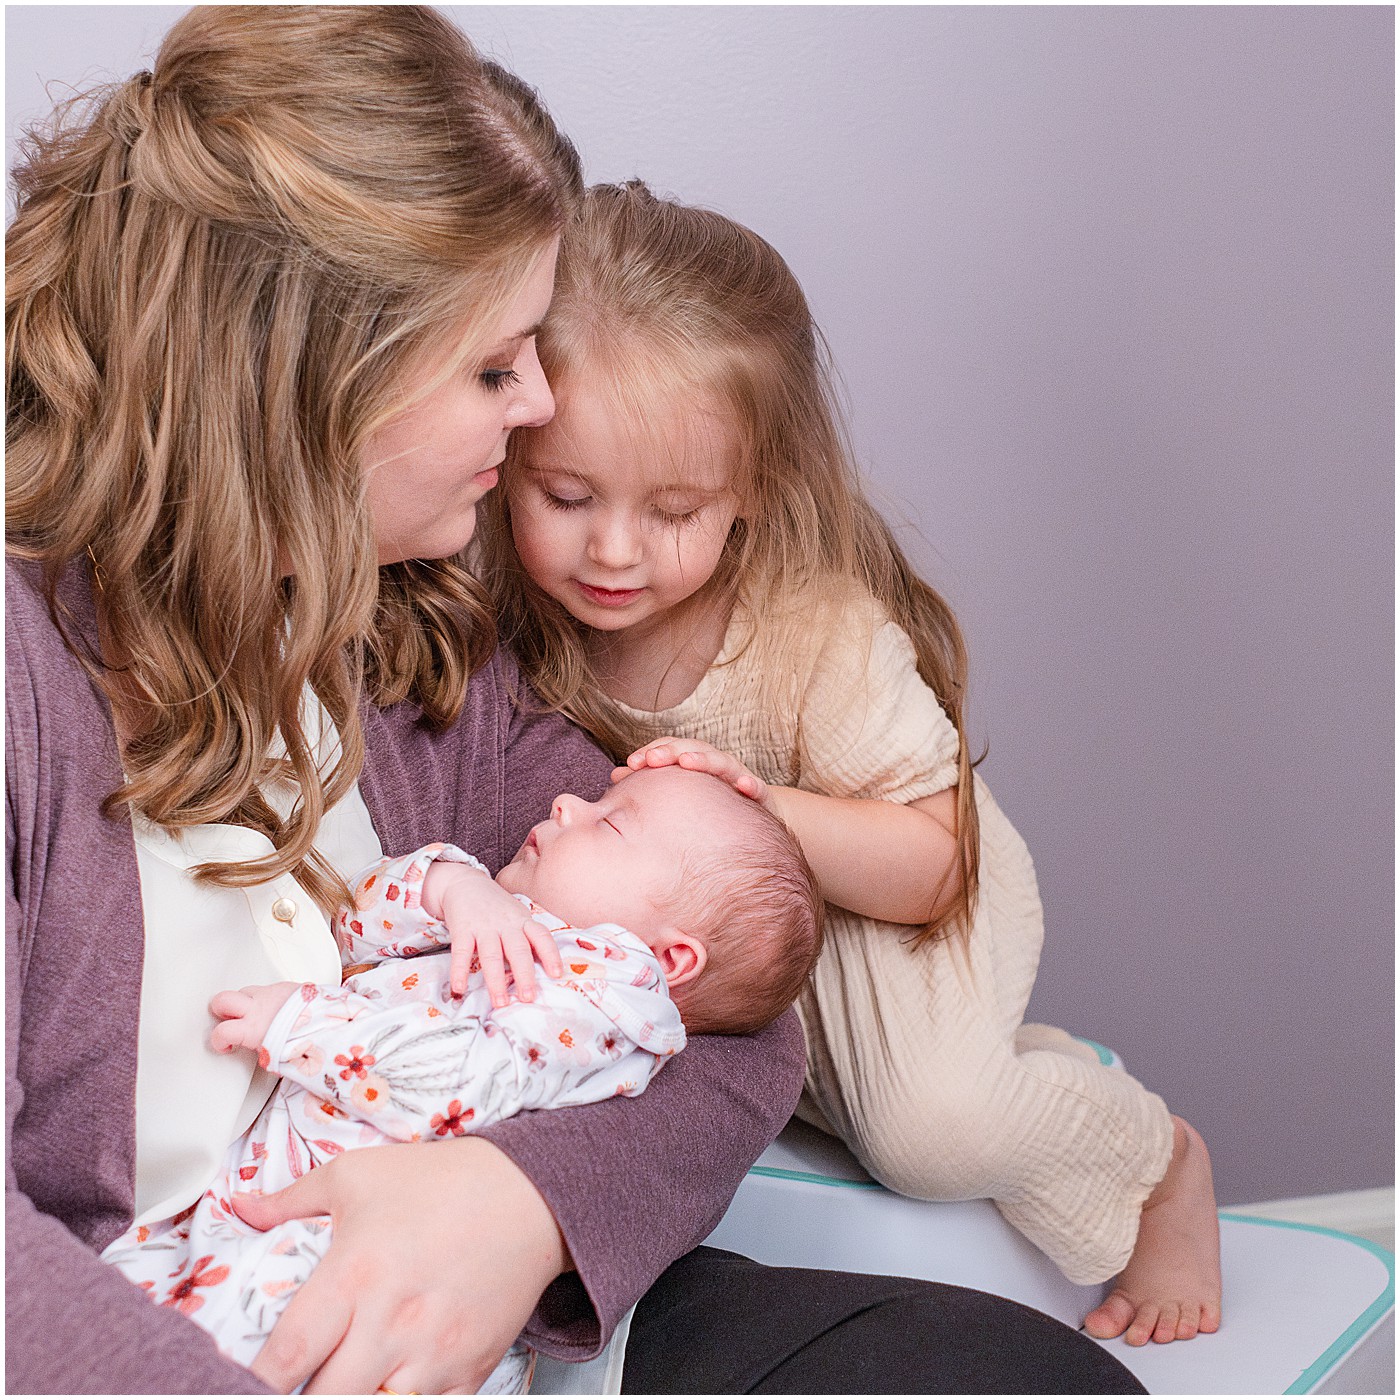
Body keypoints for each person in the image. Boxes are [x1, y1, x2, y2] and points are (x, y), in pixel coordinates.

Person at [6, 7, 1146, 1394]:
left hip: (496, 1337)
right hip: (181, 1341)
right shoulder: (28, 685)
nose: (539, 402)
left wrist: (514, 1203)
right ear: (302, 385)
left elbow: (726, 1006)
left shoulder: (418, 650)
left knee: (1015, 1378)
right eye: (494, 365)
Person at [480, 179, 1224, 1349]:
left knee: (926, 1130)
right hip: (726, 942)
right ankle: (1015, 1075)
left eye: (673, 509)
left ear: (752, 490)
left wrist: (759, 808)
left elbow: (936, 861)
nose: (611, 549)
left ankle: (1155, 1154)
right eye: (564, 495)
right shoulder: (515, 617)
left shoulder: (809, 634)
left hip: (892, 917)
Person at [102, 766, 822, 1386]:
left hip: (355, 1241)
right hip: (265, 1189)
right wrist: (450, 887)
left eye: (611, 827)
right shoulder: (521, 927)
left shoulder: (604, 994)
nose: (569, 804)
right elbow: (347, 924)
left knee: (234, 1338)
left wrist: (301, 1028)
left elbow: (453, 1085)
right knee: (131, 1291)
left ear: (671, 960)